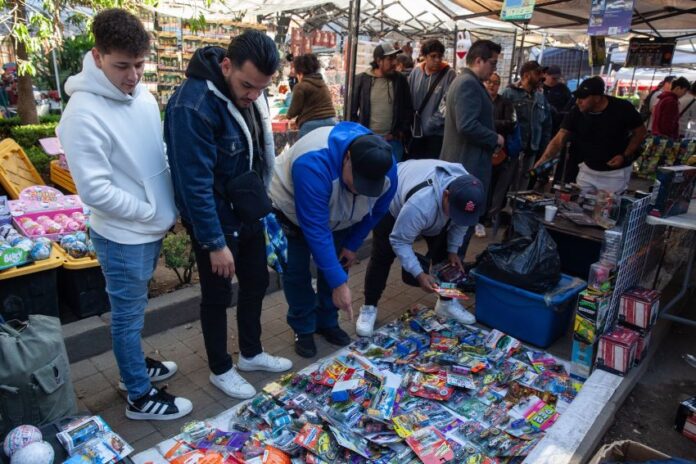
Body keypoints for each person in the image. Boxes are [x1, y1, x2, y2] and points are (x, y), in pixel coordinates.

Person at [57, 9, 191, 421]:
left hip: (150, 229)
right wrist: (152, 212)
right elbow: (95, 191)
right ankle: (138, 395)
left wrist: (166, 210)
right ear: (97, 56)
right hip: (122, 236)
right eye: (122, 66)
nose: (132, 75)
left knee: (134, 315)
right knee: (127, 318)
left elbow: (158, 154)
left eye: (139, 64)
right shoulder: (81, 114)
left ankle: (133, 367)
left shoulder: (143, 97)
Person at [164, 31, 292, 400]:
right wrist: (214, 242)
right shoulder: (193, 105)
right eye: (247, 86)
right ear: (225, 66)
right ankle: (221, 368)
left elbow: (254, 152)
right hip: (216, 219)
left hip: (247, 207)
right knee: (217, 295)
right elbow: (194, 185)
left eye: (261, 89)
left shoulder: (248, 91)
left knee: (255, 282)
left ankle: (250, 353)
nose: (253, 96)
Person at [268, 122, 397, 358]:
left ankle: (327, 321)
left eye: (368, 187)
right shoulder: (313, 164)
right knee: (296, 272)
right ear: (347, 158)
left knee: (339, 263)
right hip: (292, 213)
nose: (359, 191)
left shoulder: (386, 166)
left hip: (340, 218)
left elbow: (378, 210)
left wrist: (352, 244)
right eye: (356, 182)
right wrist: (339, 283)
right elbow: (315, 229)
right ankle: (303, 327)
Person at [357, 160, 485, 336]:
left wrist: (453, 250)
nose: (457, 217)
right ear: (446, 195)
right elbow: (400, 241)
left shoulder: (468, 193)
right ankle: (369, 307)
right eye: (455, 212)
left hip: (432, 211)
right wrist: (419, 273)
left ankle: (446, 303)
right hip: (392, 203)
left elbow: (461, 223)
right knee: (382, 255)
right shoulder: (421, 204)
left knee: (445, 259)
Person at [440, 39, 504, 260]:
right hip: (466, 168)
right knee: (457, 235)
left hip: (463, 167)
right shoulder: (467, 83)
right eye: (493, 63)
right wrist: (495, 138)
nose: (494, 69)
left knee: (455, 234)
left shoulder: (466, 82)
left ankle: (448, 283)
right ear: (479, 60)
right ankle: (448, 286)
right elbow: (466, 125)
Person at [534, 76, 646, 194]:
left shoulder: (622, 108)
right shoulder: (576, 111)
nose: (578, 101)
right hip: (587, 168)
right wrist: (543, 159)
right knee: (576, 205)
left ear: (597, 98)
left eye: (583, 98)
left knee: (606, 209)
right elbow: (560, 138)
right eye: (577, 97)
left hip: (615, 173)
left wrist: (624, 155)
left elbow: (640, 132)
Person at [351, 42, 413, 162]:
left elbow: (408, 108)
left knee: (393, 177)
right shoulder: (362, 80)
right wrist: (362, 134)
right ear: (379, 61)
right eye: (390, 59)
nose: (395, 63)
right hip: (368, 141)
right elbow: (352, 111)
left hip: (393, 142)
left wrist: (398, 133)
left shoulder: (400, 80)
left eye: (395, 58)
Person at [502, 60, 552, 191]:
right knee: (503, 184)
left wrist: (544, 150)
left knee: (523, 185)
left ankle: (516, 209)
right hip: (512, 150)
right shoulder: (510, 93)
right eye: (538, 73)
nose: (542, 77)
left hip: (532, 150)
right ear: (526, 75)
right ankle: (499, 210)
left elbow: (546, 124)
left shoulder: (540, 98)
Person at [407, 39, 456, 160]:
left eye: (440, 56)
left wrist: (431, 124)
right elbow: (408, 98)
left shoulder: (449, 74)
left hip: (436, 135)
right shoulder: (416, 72)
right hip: (415, 132)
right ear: (425, 56)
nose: (437, 60)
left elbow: (447, 105)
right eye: (433, 56)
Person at [484, 72, 517, 233]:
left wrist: (488, 125)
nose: (492, 85)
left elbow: (511, 123)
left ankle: (492, 215)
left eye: (496, 82)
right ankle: (482, 215)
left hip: (500, 152)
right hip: (483, 150)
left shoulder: (505, 102)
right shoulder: (479, 99)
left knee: (498, 186)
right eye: (489, 81)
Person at [286, 53, 336, 138]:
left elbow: (295, 109)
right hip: (331, 123)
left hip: (311, 125)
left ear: (300, 73)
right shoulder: (322, 83)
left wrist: (288, 116)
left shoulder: (301, 86)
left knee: (306, 150)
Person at [542, 64, 572, 136]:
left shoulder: (563, 89)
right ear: (545, 75)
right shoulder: (538, 87)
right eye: (553, 78)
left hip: (558, 125)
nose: (555, 81)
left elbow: (570, 103)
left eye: (557, 79)